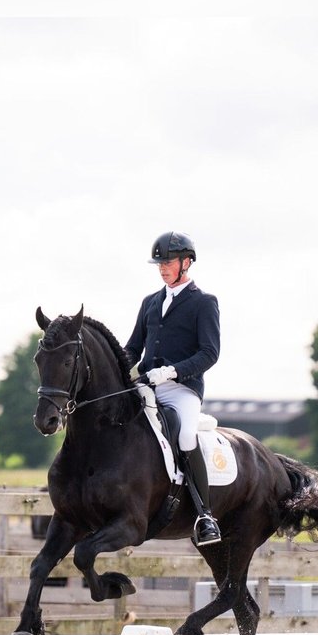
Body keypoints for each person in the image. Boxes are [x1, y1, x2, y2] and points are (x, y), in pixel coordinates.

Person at [123, 230, 222, 546]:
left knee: (184, 435)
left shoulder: (203, 303)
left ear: (186, 262)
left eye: (168, 262)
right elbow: (132, 349)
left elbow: (210, 353)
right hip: (147, 385)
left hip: (182, 390)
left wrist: (174, 372)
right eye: (159, 263)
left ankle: (205, 515)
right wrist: (115, 369)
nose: (163, 267)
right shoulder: (150, 302)